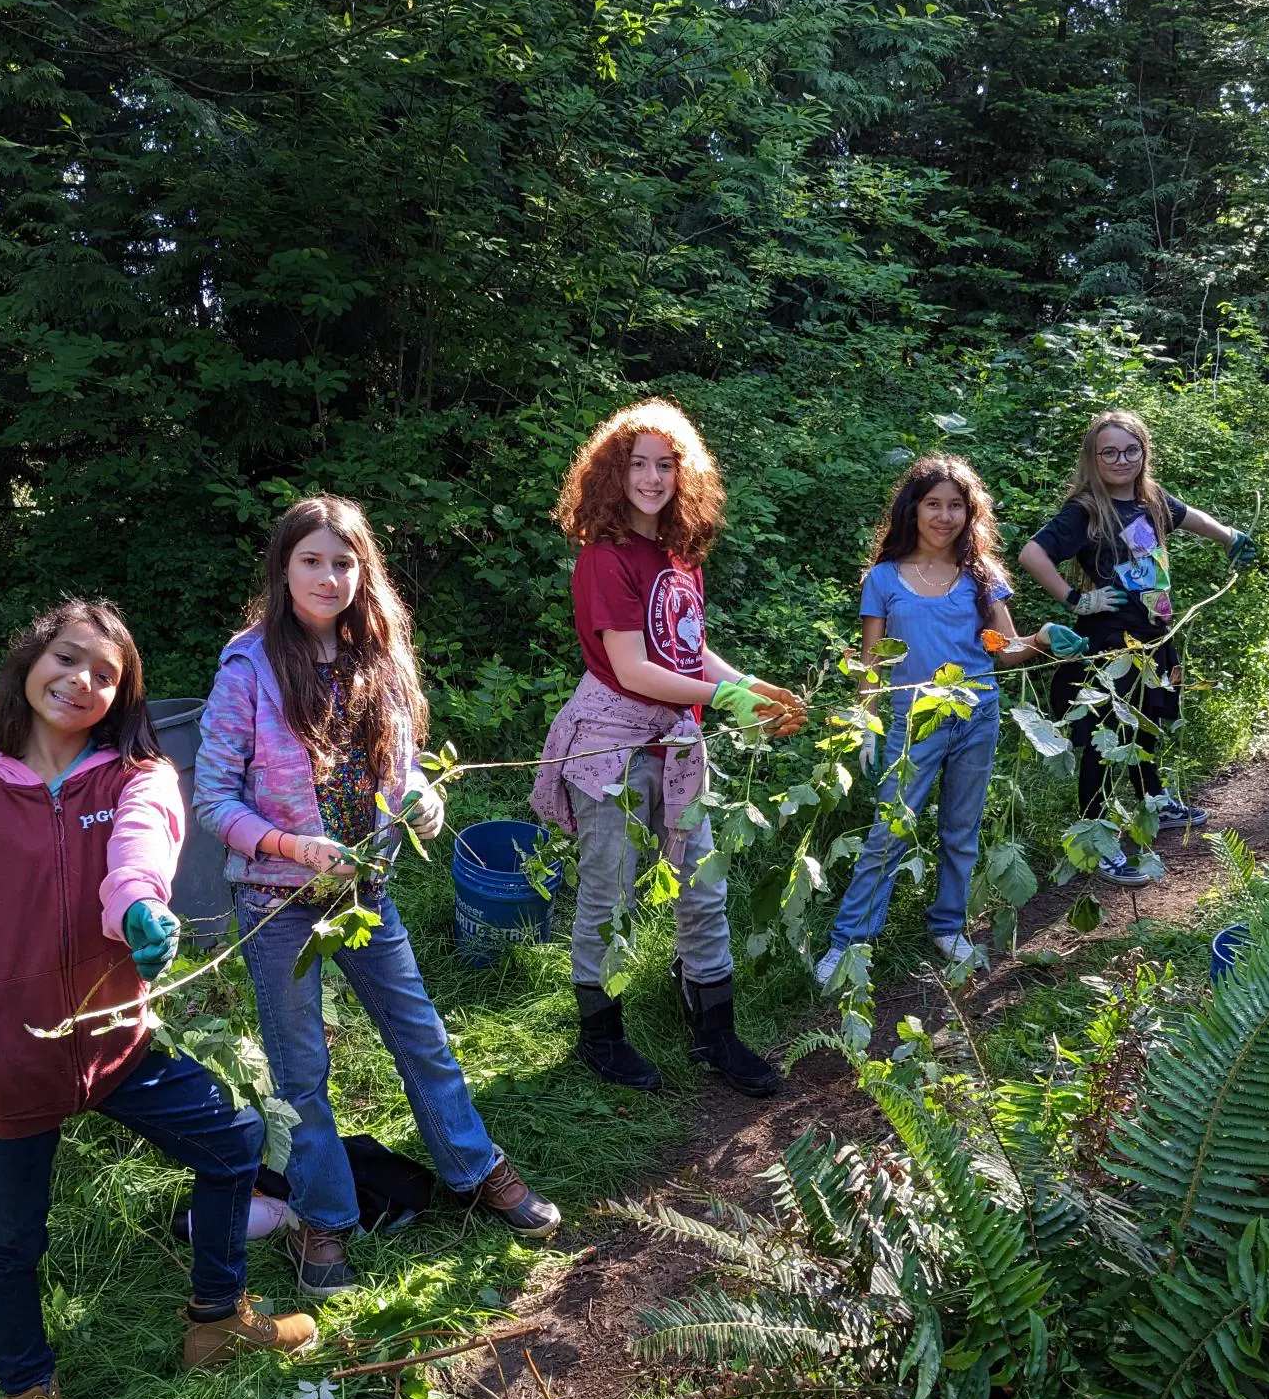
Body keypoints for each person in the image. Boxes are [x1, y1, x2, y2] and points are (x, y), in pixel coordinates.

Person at [0, 598, 315, 1399]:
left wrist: (142, 911)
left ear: (121, 696)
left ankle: (216, 1318)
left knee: (235, 1139)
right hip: (1, 1067)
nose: (82, 682)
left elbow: (136, 861)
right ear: (29, 665)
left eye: (106, 674)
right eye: (67, 660)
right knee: (6, 1247)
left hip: (115, 1041)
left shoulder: (139, 779)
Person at [195, 496, 561, 1303]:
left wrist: (422, 795)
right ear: (283, 569)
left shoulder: (378, 657)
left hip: (366, 894)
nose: (329, 577)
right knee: (302, 1070)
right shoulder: (249, 667)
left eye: (343, 562)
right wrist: (291, 847)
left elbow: (401, 764)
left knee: (421, 1035)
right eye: (312, 561)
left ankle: (475, 1167)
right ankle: (324, 1217)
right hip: (275, 902)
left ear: (365, 572)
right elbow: (214, 798)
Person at [532, 399, 806, 1098]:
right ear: (612, 473)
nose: (652, 478)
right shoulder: (606, 557)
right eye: (637, 464)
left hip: (675, 740)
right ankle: (601, 1039)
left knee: (703, 889)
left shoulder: (680, 555)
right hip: (611, 748)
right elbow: (631, 669)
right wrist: (722, 701)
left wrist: (750, 685)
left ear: (685, 475)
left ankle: (715, 1034)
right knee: (611, 898)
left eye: (665, 464)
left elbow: (687, 649)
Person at [815, 457, 1085, 984]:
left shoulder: (982, 578)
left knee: (961, 829)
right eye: (933, 504)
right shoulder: (884, 578)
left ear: (971, 512)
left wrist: (1045, 637)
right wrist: (865, 721)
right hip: (913, 718)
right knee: (889, 832)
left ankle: (948, 924)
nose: (944, 516)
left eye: (956, 505)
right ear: (912, 510)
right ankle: (849, 942)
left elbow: (1005, 652)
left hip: (978, 713)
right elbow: (872, 663)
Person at [1017, 410, 1257, 888]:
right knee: (1105, 744)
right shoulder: (1085, 510)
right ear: (1093, 458)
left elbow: (1191, 517)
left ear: (1144, 452)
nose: (1121, 459)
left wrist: (1230, 537)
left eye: (1131, 450)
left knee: (1147, 725)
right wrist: (1076, 598)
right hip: (1110, 645)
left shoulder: (1149, 499)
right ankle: (1096, 838)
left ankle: (1154, 803)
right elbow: (1031, 553)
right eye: (1109, 451)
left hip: (1154, 639)